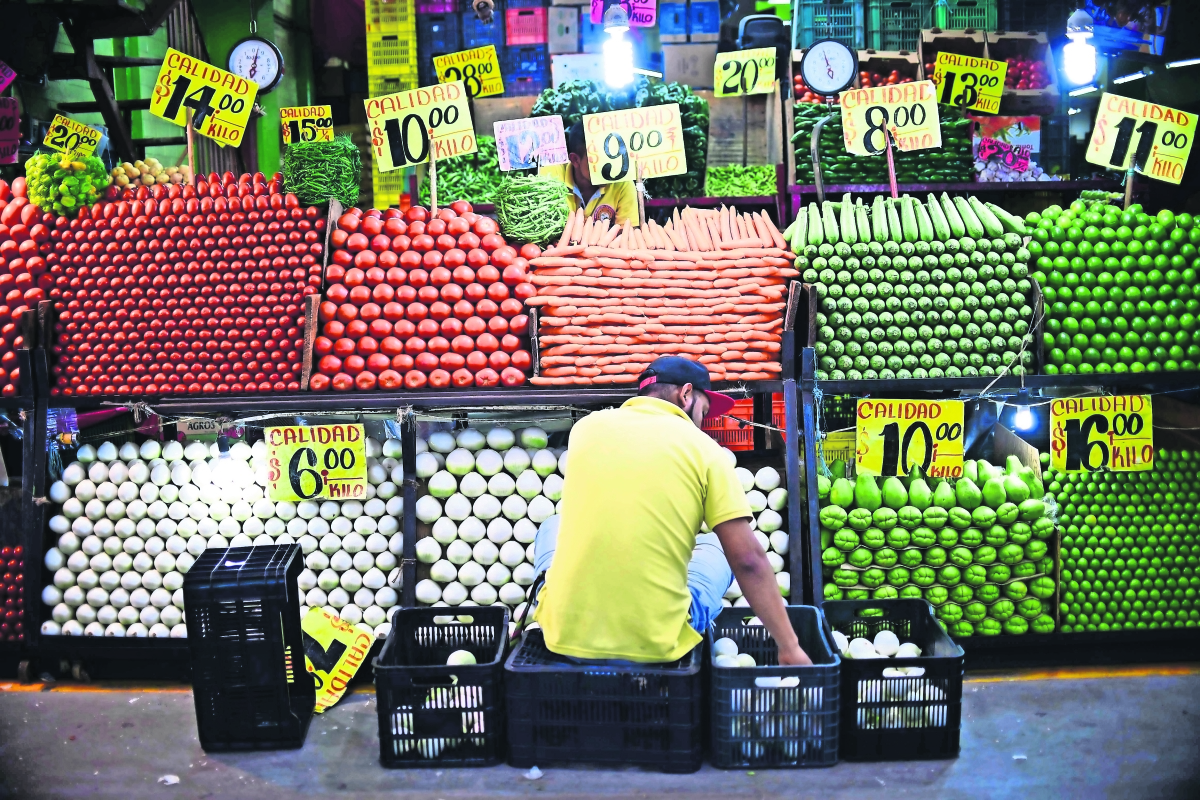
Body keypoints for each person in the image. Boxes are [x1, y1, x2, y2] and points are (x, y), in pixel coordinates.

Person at [532, 356, 810, 666]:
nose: (703, 422)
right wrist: (789, 647)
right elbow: (748, 561)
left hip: (563, 636)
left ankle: (550, 604)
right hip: (655, 644)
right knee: (718, 544)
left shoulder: (585, 430)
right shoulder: (703, 448)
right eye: (704, 412)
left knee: (552, 524)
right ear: (686, 395)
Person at [539, 120, 640, 227]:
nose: (608, 167)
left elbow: (628, 234)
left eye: (611, 156)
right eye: (599, 159)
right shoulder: (550, 176)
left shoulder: (623, 182)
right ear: (575, 160)